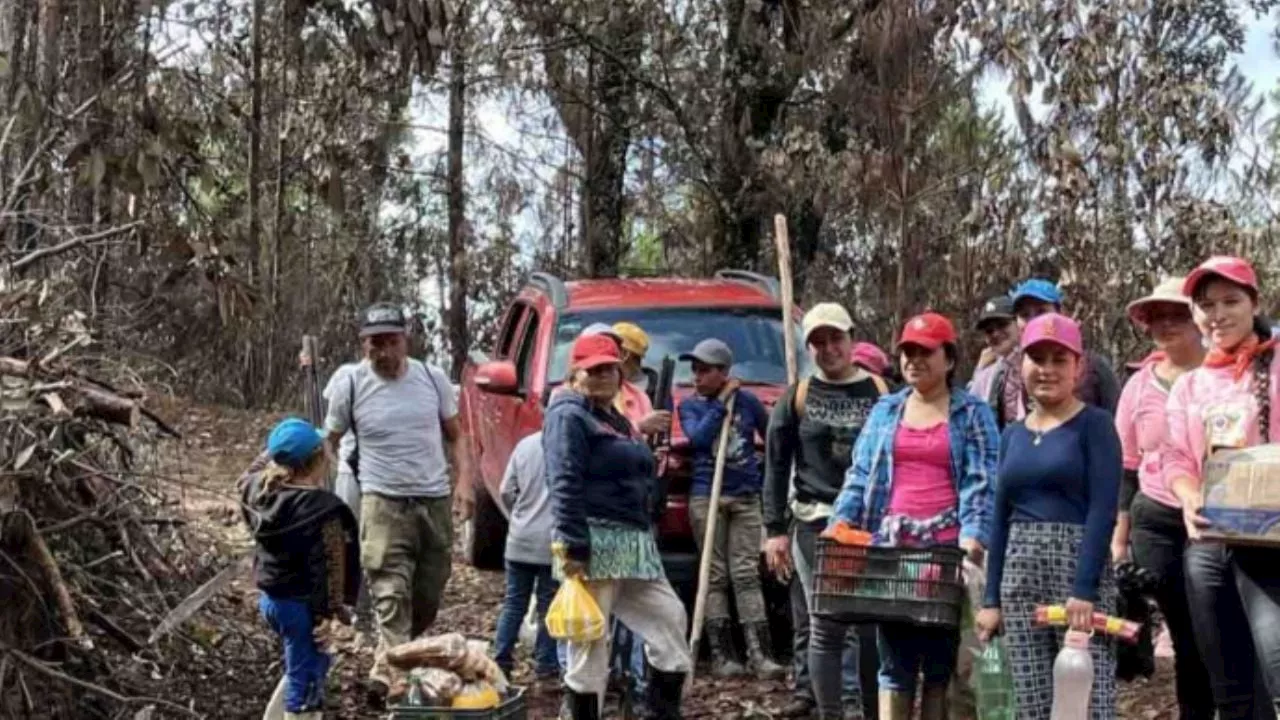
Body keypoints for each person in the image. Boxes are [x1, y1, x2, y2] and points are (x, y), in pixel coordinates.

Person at [824, 313, 997, 720]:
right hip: (890, 551)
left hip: (946, 553)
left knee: (939, 659)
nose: (914, 360)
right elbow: (861, 473)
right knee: (894, 659)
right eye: (907, 352)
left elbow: (982, 479)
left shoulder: (972, 412)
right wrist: (841, 521)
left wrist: (973, 535)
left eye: (925, 352)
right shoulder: (886, 410)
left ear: (949, 359)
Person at [322, 302, 472, 701]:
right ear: (363, 344)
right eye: (374, 344)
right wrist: (328, 493)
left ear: (405, 339)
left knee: (428, 592)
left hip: (433, 500)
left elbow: (455, 435)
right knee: (389, 593)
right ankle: (402, 691)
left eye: (390, 341)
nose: (383, 351)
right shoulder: (350, 384)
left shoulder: (431, 377)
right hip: (381, 502)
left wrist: (464, 483)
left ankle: (385, 663)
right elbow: (329, 442)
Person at [976, 313, 1122, 720]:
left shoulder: (1095, 425)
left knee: (1085, 700)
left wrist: (1085, 588)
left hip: (1077, 568)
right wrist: (992, 598)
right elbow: (1000, 517)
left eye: (1060, 359)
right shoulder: (1012, 435)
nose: (1047, 369)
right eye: (1037, 358)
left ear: (1078, 366)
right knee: (1031, 699)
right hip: (1019, 575)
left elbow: (1102, 510)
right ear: (1020, 365)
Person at [545, 334, 692, 720]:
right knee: (591, 645)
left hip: (634, 545)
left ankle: (660, 712)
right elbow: (563, 479)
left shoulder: (614, 417)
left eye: (610, 368)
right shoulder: (568, 414)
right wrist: (574, 543)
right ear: (576, 373)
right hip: (591, 541)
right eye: (594, 370)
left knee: (670, 618)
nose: (604, 376)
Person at [1164, 256, 1280, 719]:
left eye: (1231, 301)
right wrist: (1189, 496)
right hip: (1210, 543)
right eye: (1206, 305)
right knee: (1230, 690)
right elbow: (1175, 455)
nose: (1218, 315)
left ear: (1255, 303)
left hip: (1272, 546)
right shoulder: (1189, 386)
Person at [764, 302, 888, 719]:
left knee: (870, 623)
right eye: (817, 342)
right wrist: (774, 530)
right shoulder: (797, 395)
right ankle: (832, 710)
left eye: (835, 338)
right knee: (825, 620)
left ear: (851, 337)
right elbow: (777, 465)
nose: (828, 348)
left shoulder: (882, 391)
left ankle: (869, 709)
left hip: (870, 523)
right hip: (814, 521)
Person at [1110, 277, 1214, 720]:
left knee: (1220, 628)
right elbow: (1126, 467)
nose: (1167, 324)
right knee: (1186, 630)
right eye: (1157, 318)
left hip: (1218, 519)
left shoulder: (1223, 375)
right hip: (1157, 519)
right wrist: (1118, 543)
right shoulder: (1137, 387)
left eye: (1177, 314)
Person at [676, 338, 784, 679]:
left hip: (745, 496)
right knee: (715, 574)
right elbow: (699, 440)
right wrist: (720, 403)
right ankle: (723, 654)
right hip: (707, 496)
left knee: (746, 574)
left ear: (724, 372)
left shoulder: (748, 402)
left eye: (705, 370)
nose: (697, 376)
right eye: (694, 370)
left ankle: (760, 653)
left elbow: (774, 438)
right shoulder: (692, 406)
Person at [240, 418, 360, 720]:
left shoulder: (257, 491)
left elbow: (249, 473)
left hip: (272, 600)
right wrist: (329, 614)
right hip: (302, 607)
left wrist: (273, 450)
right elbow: (331, 567)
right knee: (305, 683)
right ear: (318, 460)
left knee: (307, 665)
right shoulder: (323, 509)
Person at [994, 279, 1121, 426]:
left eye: (1041, 311)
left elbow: (1116, 423)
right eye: (1024, 315)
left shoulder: (1093, 367)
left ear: (1060, 313)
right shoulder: (1008, 373)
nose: (1033, 320)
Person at [493, 429, 562, 681]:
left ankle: (500, 660)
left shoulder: (525, 444)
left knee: (513, 603)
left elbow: (505, 489)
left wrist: (517, 516)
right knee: (549, 606)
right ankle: (546, 665)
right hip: (552, 542)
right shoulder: (570, 446)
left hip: (520, 538)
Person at [967, 295, 1018, 416]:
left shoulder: (1034, 362)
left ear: (1018, 323)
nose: (995, 334)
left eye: (1002, 325)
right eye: (989, 331)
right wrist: (978, 371)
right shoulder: (986, 375)